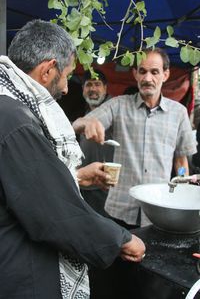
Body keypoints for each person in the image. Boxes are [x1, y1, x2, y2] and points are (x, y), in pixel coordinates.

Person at [0, 19, 146, 299]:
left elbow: (22, 187)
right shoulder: (15, 120)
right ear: (47, 70)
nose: (67, 87)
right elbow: (54, 213)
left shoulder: (10, 104)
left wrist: (76, 176)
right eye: (66, 74)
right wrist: (122, 240)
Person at [73, 47, 197, 230]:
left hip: (159, 210)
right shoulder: (118, 105)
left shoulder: (178, 112)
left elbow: (181, 162)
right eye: (142, 71)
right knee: (118, 258)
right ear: (135, 74)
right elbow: (77, 124)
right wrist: (86, 123)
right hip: (119, 209)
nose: (148, 78)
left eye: (154, 72)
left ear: (166, 74)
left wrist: (182, 193)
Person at [79, 69, 114, 216]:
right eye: (89, 85)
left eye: (97, 84)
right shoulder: (85, 113)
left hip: (104, 187)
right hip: (84, 183)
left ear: (105, 88)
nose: (93, 89)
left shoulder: (114, 110)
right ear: (83, 89)